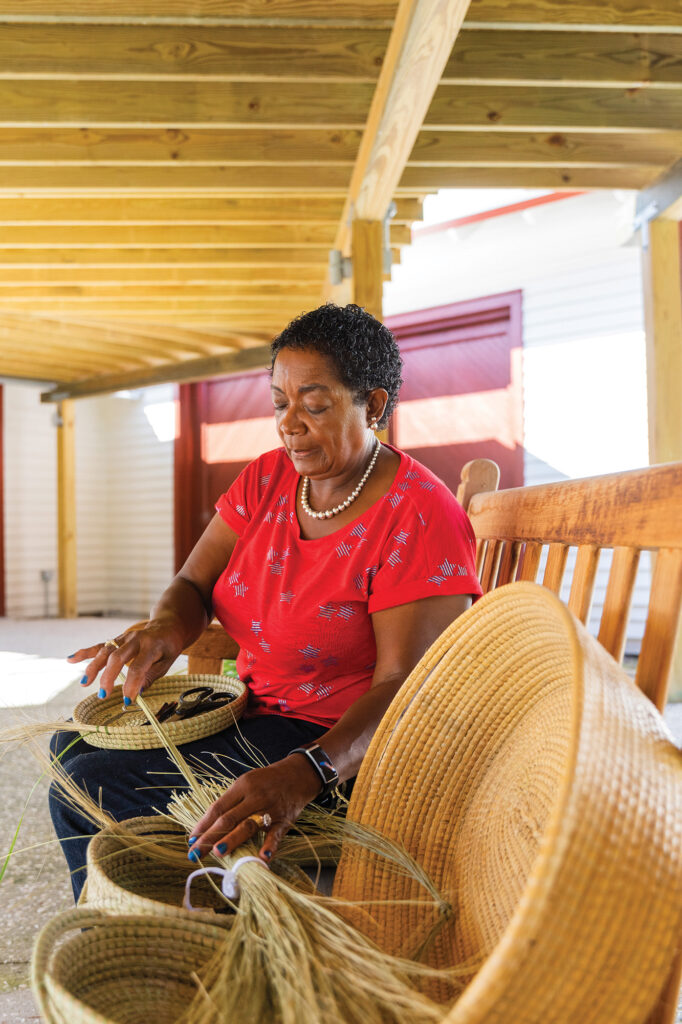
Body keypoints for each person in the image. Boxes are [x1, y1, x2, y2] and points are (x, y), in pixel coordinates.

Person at [50, 302, 482, 902]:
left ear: (374, 405)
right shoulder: (267, 480)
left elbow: (409, 687)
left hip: (340, 753)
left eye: (315, 403)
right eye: (280, 403)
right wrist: (164, 633)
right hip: (253, 713)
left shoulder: (418, 515)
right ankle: (144, 923)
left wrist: (307, 772)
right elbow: (193, 584)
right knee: (72, 748)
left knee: (95, 781)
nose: (290, 424)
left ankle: (182, 933)